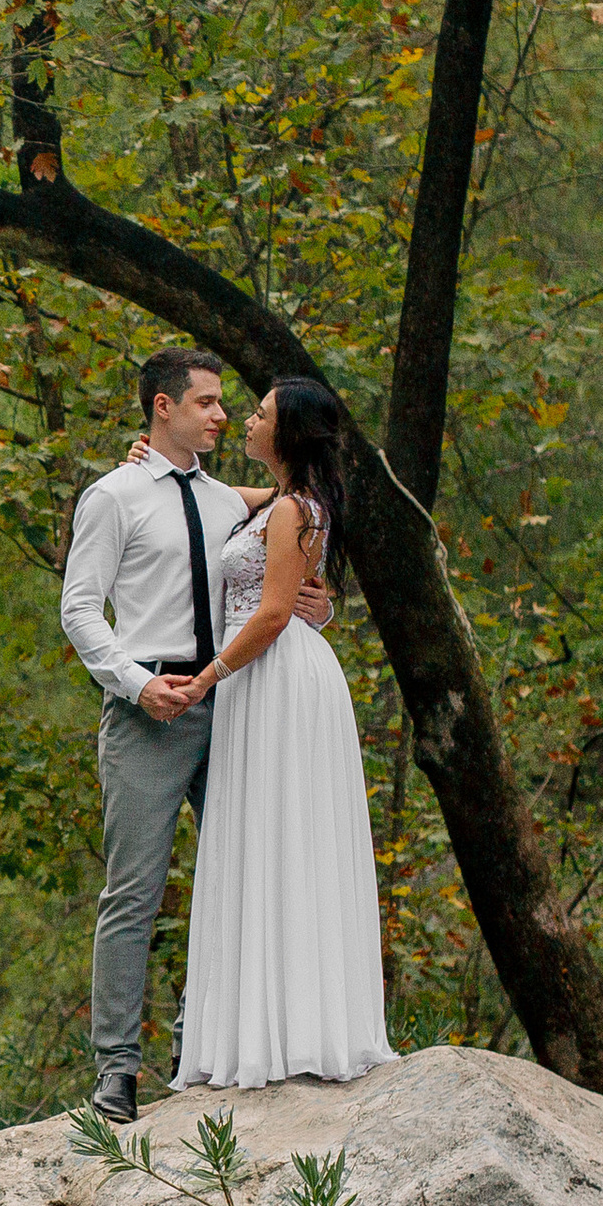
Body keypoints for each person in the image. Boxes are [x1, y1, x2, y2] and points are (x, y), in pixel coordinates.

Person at [59, 347, 332, 1122]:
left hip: (239, 707)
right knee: (134, 893)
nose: (221, 414)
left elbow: (300, 514)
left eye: (226, 406)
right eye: (207, 403)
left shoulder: (225, 500)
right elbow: (79, 609)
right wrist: (137, 683)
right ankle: (116, 1070)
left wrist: (323, 601)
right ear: (162, 409)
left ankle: (202, 1044)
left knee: (239, 878)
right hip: (148, 708)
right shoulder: (112, 497)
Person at [161, 378, 397, 1089]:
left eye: (260, 413)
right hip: (264, 677)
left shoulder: (295, 507)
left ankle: (290, 1030)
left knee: (283, 834)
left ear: (287, 433)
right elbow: (215, 496)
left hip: (270, 673)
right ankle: (270, 1022)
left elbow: (269, 615)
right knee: (265, 836)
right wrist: (152, 460)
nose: (246, 419)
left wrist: (205, 678)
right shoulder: (284, 501)